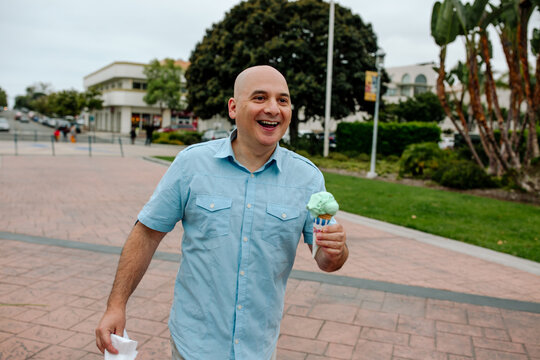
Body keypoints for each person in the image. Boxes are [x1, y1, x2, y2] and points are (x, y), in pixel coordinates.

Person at [95, 65, 348, 359]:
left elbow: (326, 260)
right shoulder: (192, 165)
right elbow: (147, 234)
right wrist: (116, 305)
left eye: (283, 100)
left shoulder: (308, 178)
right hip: (194, 344)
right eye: (259, 97)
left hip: (259, 347)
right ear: (233, 107)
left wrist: (335, 251)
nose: (273, 109)